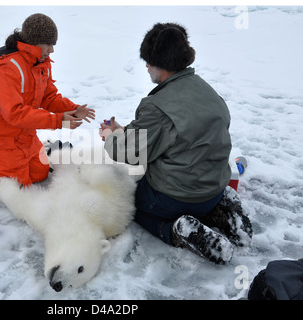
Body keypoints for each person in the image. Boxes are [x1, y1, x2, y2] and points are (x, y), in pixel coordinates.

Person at [100, 22, 252, 264]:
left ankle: (177, 230)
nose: (147, 66)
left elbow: (128, 153)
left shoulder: (157, 106)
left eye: (149, 60)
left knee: (125, 202)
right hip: (213, 188)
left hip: (175, 198)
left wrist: (111, 137)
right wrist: (124, 130)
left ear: (163, 63)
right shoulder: (207, 91)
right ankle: (218, 211)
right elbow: (172, 132)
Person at [0, 13, 95, 191]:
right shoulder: (6, 69)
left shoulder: (41, 62)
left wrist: (74, 109)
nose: (52, 50)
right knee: (15, 187)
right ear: (35, 42)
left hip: (23, 134)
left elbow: (48, 97)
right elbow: (14, 113)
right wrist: (57, 120)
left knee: (40, 172)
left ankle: (2, 163)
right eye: (49, 44)